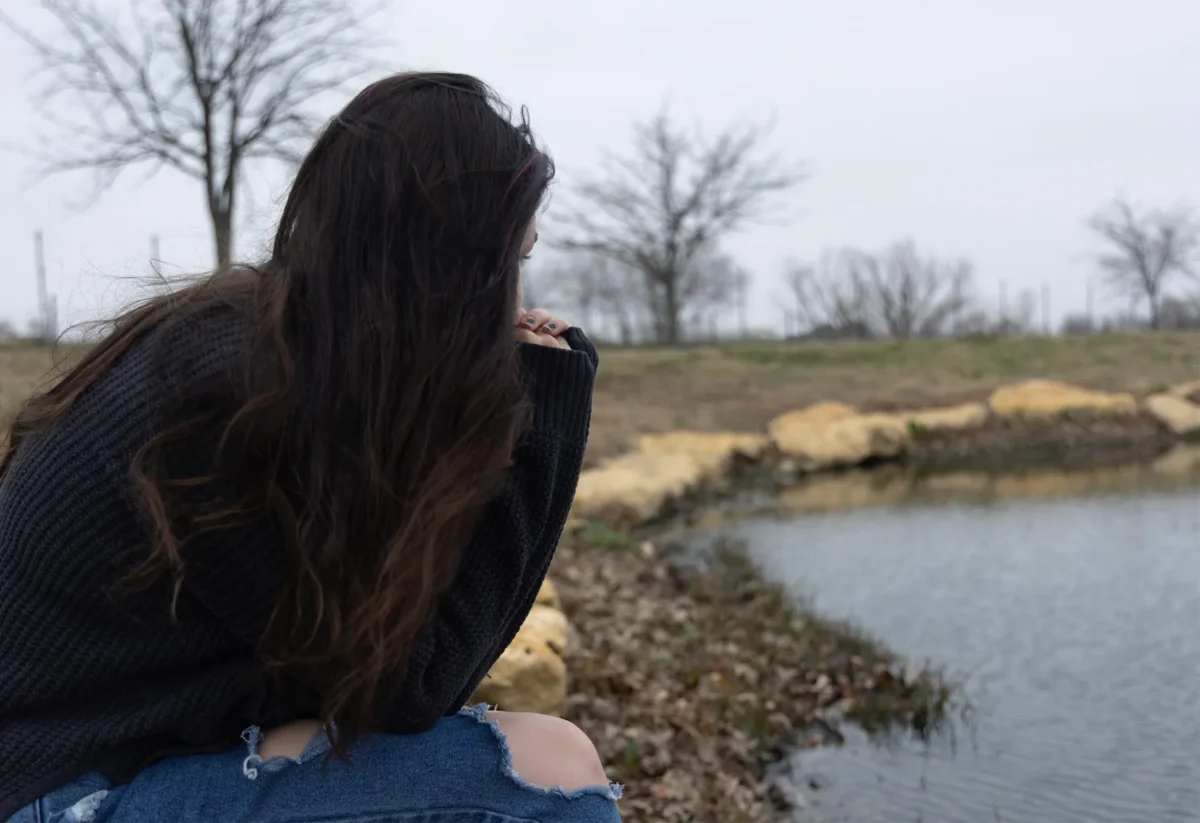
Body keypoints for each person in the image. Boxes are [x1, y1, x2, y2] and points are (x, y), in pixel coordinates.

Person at [0, 73, 621, 823]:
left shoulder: (274, 360)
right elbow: (420, 685)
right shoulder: (223, 402)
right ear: (445, 267)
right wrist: (551, 410)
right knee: (554, 772)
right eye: (509, 265)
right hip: (53, 793)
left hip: (114, 757)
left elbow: (375, 662)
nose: (516, 305)